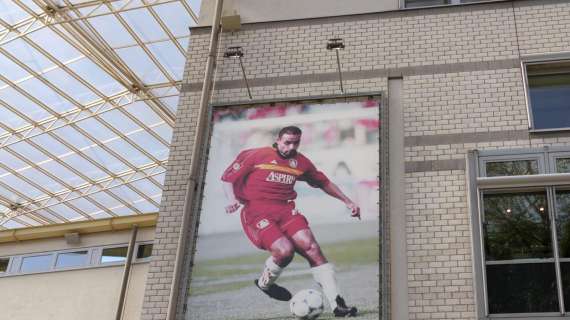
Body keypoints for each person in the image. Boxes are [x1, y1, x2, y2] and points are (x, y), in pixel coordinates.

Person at [221, 125, 360, 317]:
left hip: (286, 210)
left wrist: (348, 201)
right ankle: (265, 284)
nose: (291, 147)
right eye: (287, 142)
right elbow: (227, 178)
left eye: (296, 143)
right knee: (284, 251)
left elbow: (324, 182)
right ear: (278, 140)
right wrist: (231, 199)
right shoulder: (255, 155)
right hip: (256, 212)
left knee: (312, 248)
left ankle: (338, 305)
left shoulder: (301, 162)